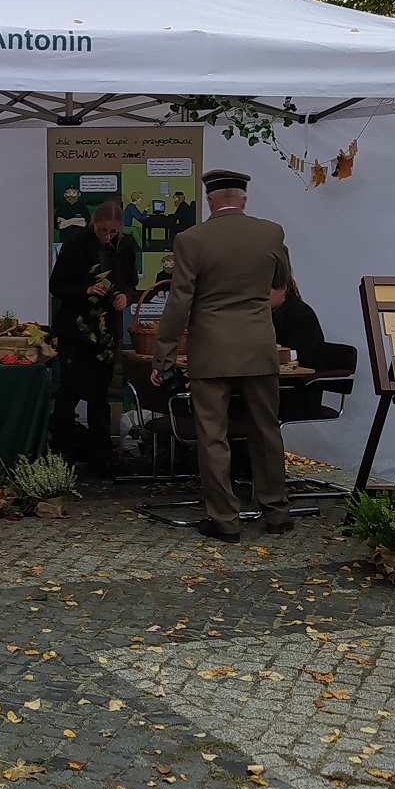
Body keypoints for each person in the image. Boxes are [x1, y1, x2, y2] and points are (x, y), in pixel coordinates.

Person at [150, 168, 293, 541]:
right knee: (267, 429)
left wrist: (162, 356)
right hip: (259, 347)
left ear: (210, 201)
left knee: (214, 435)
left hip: (211, 350)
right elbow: (280, 283)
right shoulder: (272, 232)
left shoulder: (191, 239)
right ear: (244, 199)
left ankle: (225, 520)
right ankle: (276, 511)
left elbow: (179, 301)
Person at [47, 198, 139, 472]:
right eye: (102, 231)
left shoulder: (126, 245)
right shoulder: (75, 243)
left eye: (113, 232)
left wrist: (126, 297)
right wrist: (86, 290)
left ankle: (102, 455)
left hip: (107, 327)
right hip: (76, 328)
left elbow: (131, 283)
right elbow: (57, 285)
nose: (107, 237)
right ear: (93, 224)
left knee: (100, 393)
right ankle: (62, 453)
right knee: (70, 389)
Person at [270, 277, 326, 424]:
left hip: (294, 393)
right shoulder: (265, 313)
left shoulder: (302, 314)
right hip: (272, 388)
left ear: (282, 289)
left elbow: (299, 357)